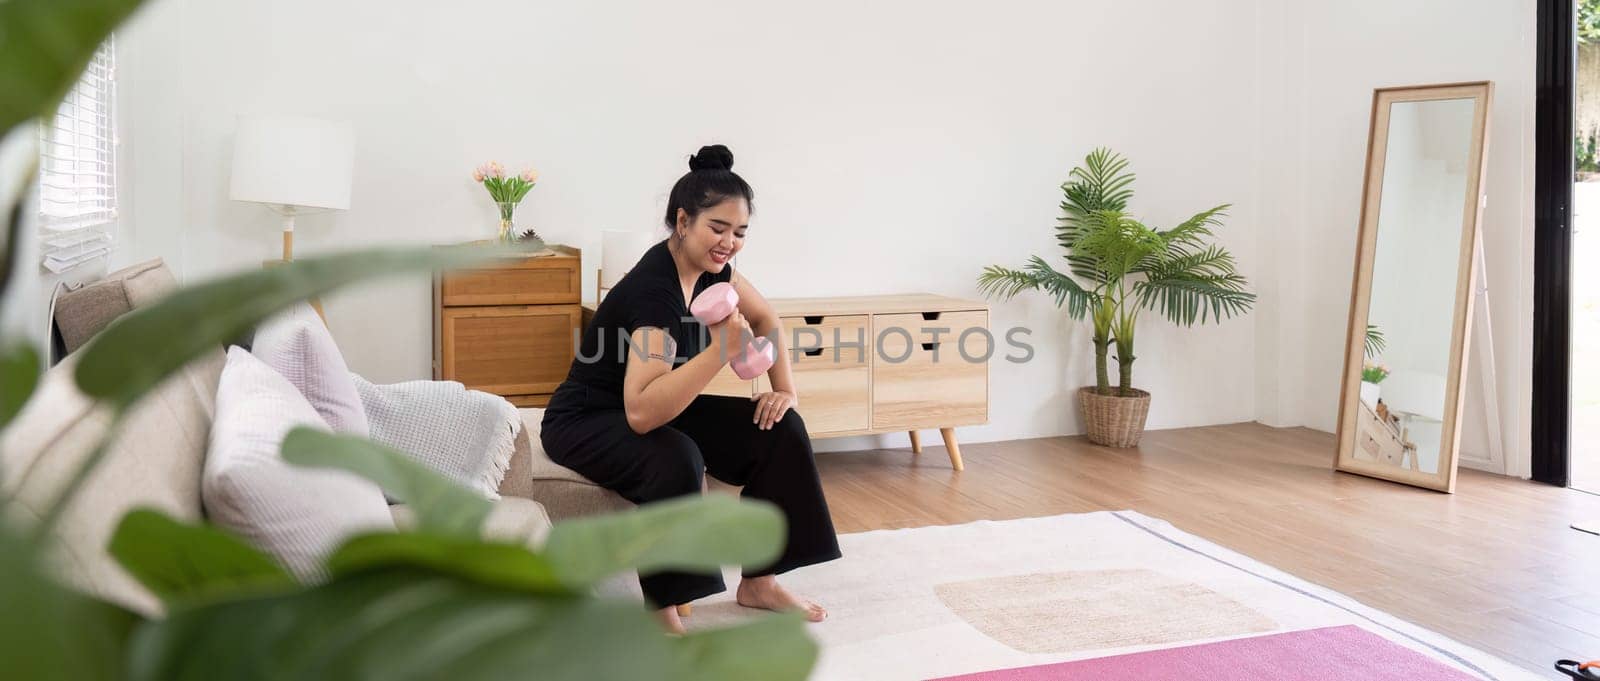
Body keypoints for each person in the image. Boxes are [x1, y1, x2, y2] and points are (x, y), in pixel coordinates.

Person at [540, 144, 841, 634]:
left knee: (779, 428)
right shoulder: (653, 293)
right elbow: (639, 412)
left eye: (739, 232)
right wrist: (719, 351)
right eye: (717, 229)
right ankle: (660, 615)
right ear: (683, 223)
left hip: (658, 403)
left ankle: (760, 581)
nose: (729, 243)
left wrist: (783, 389)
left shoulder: (714, 271)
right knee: (675, 456)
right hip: (589, 418)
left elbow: (767, 318)